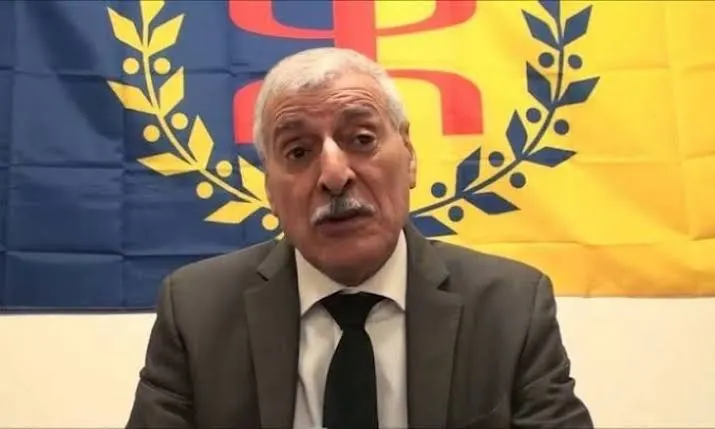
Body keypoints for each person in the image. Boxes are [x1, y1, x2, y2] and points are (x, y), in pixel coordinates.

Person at [126, 47, 593, 428]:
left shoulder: (509, 307)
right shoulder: (197, 312)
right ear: (269, 189)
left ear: (409, 156)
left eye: (362, 139)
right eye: (298, 151)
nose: (333, 175)